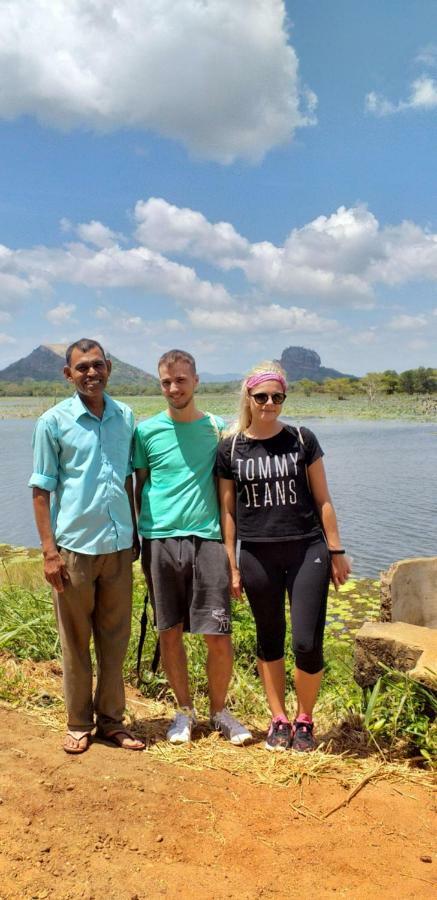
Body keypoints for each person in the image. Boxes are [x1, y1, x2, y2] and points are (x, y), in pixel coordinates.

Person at [217, 361, 351, 752]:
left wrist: (336, 549)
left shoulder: (301, 438)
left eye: (277, 396)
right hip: (258, 552)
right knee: (269, 637)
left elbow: (323, 499)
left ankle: (304, 720)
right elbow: (228, 511)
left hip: (308, 548)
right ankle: (278, 718)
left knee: (307, 642)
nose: (270, 403)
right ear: (249, 398)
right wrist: (232, 563)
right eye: (262, 396)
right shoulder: (233, 447)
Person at [29, 338, 145, 754]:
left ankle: (112, 720)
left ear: (109, 368)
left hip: (118, 546)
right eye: (82, 368)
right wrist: (49, 550)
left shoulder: (125, 416)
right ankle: (79, 721)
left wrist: (137, 534)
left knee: (114, 638)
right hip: (74, 548)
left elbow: (131, 479)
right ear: (68, 374)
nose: (91, 373)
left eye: (97, 365)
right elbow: (41, 490)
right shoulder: (53, 422)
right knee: (75, 640)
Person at [133, 349, 252, 746]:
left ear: (196, 381)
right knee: (169, 630)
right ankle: (183, 712)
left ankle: (219, 712)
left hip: (209, 540)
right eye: (166, 381)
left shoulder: (218, 430)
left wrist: (233, 557)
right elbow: (141, 484)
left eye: (181, 379)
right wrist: (142, 535)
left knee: (217, 633)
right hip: (160, 540)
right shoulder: (146, 432)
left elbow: (227, 498)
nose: (174, 388)